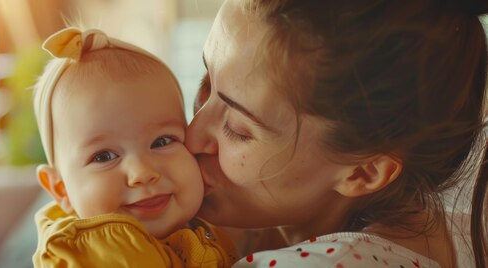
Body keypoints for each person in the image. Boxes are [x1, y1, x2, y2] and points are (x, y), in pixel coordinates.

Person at [184, 0, 488, 267]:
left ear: (364, 173)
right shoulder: (447, 238)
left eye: (238, 130)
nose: (192, 134)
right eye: (207, 83)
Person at [30, 27, 238, 267]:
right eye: (104, 156)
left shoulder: (204, 224)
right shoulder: (104, 253)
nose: (143, 173)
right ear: (60, 189)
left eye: (162, 141)